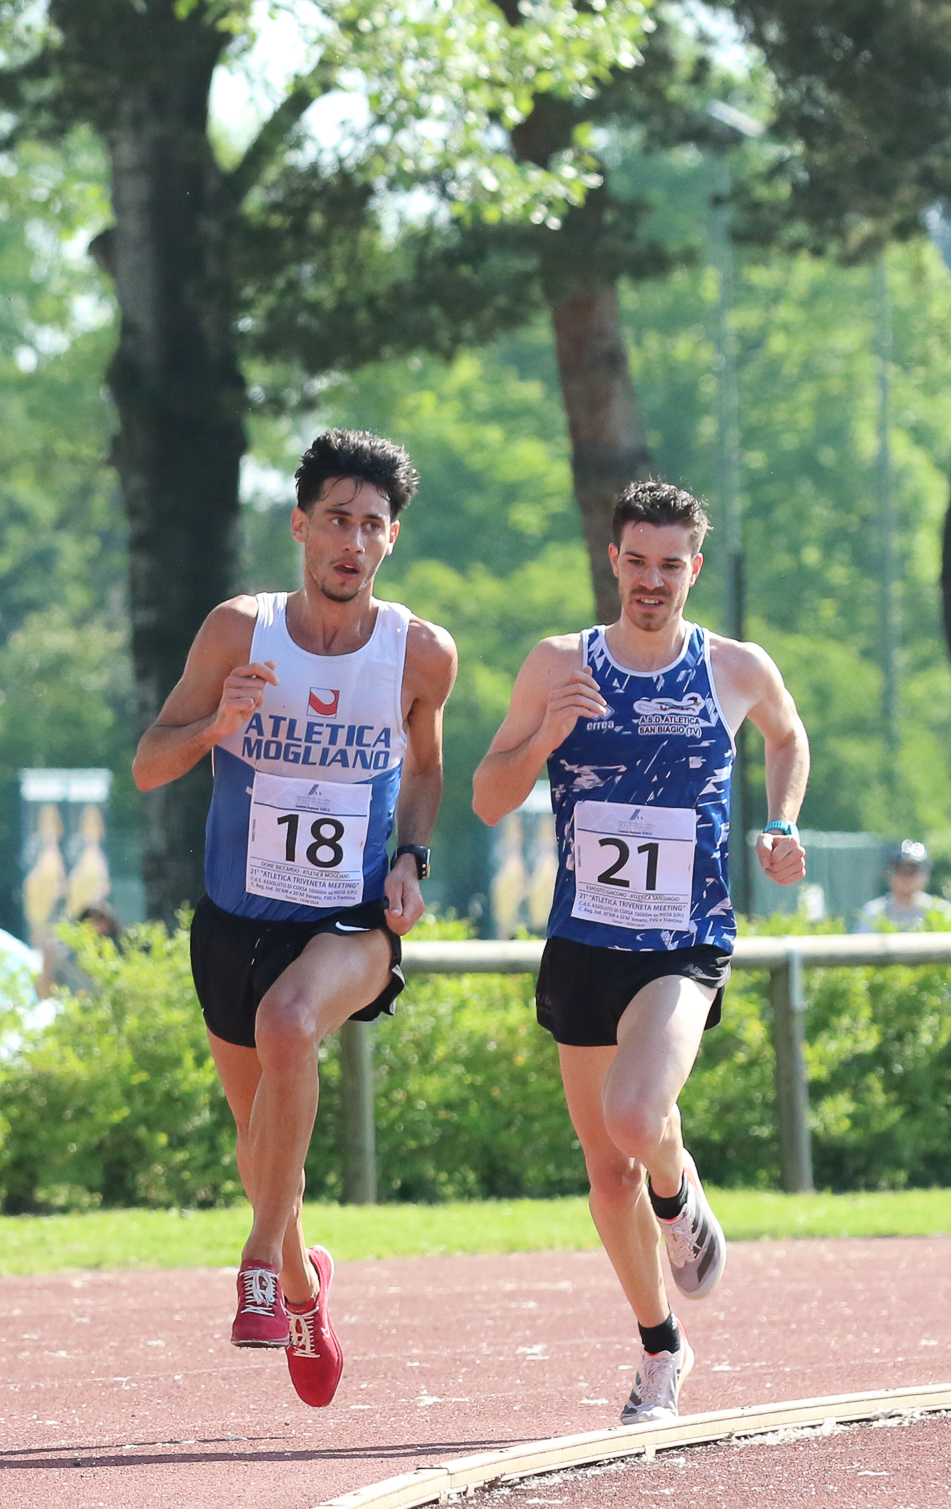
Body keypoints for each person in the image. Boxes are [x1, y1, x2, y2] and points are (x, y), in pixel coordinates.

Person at [132, 430, 458, 1407]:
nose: (353, 542)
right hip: (236, 922)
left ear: (391, 538)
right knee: (260, 1148)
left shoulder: (420, 653)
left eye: (371, 525)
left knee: (288, 1024)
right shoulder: (240, 632)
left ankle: (259, 1265)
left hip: (350, 922)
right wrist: (216, 727)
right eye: (336, 521)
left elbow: (426, 768)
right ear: (300, 526)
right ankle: (307, 1288)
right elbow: (149, 764)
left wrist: (412, 859)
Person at [472, 480, 807, 1425]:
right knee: (607, 1173)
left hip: (683, 942)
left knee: (635, 1115)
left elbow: (788, 736)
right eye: (638, 562)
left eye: (672, 565)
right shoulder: (558, 664)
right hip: (585, 940)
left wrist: (782, 822)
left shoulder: (733, 667)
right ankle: (662, 1349)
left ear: (693, 569)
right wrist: (548, 732)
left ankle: (678, 1187)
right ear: (613, 561)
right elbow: (489, 799)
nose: (653, 580)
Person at [853, 838, 951, 933]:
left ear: (926, 874)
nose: (906, 877)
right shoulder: (874, 912)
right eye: (900, 870)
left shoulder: (941, 911)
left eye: (912, 870)